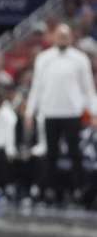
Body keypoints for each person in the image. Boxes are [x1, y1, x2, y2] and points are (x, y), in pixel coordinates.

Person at [24, 23, 97, 204]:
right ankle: (50, 191)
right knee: (51, 154)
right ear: (54, 37)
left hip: (72, 113)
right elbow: (36, 87)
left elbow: (88, 89)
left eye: (66, 35)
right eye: (59, 35)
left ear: (71, 37)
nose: (62, 38)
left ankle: (80, 190)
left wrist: (94, 112)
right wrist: (29, 111)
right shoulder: (43, 58)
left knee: (75, 153)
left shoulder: (80, 59)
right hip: (50, 112)